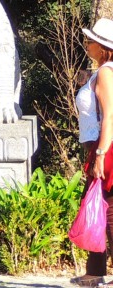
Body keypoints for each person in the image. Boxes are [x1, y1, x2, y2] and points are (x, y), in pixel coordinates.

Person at [74, 18, 113, 286]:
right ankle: (95, 269)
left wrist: (100, 154)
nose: (86, 44)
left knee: (108, 209)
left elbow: (110, 114)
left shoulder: (107, 72)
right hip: (101, 145)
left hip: (107, 146)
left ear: (102, 47)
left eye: (90, 41)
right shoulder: (103, 71)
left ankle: (97, 270)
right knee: (96, 204)